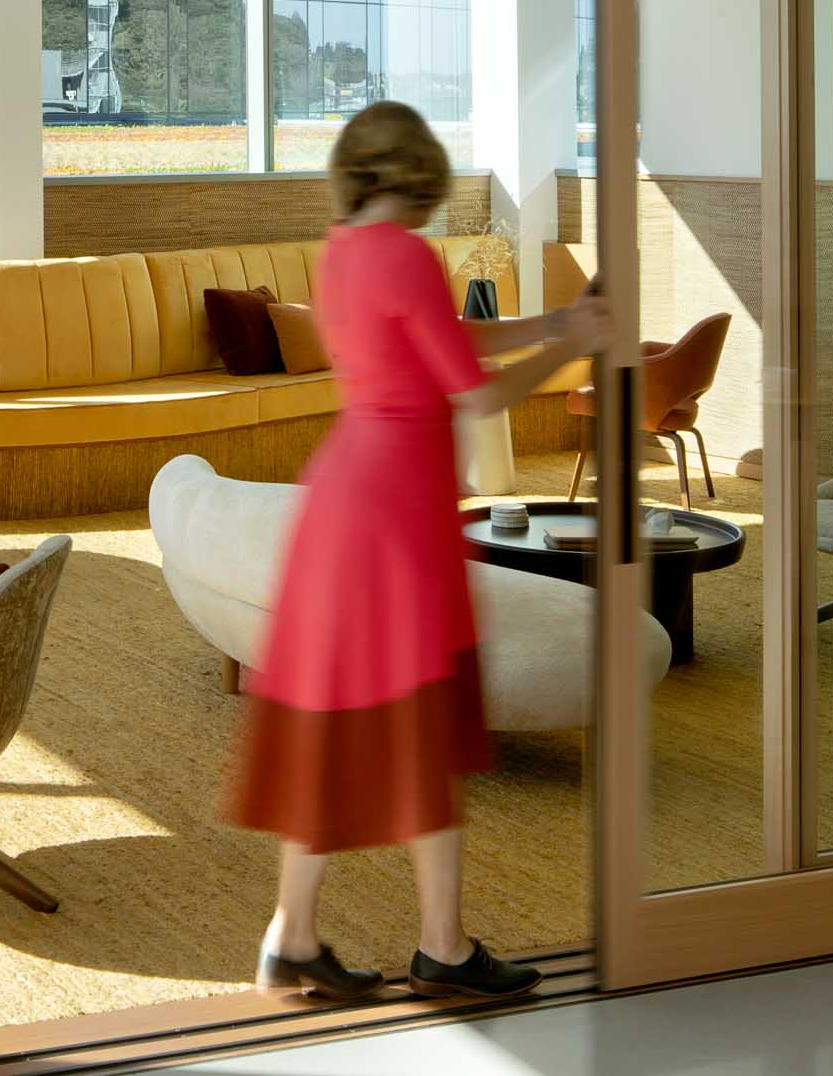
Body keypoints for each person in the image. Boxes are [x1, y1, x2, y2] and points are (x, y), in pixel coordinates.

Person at [226, 101, 609, 1002]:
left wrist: (555, 320)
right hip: (396, 512)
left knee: (337, 723)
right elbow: (471, 395)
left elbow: (441, 344)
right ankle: (441, 945)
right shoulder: (405, 252)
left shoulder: (347, 247)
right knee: (422, 722)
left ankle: (295, 934)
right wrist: (572, 346)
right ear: (418, 172)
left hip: (346, 498)